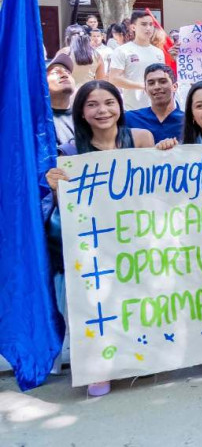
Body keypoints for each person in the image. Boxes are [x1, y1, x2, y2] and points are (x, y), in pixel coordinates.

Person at [44, 81, 158, 398]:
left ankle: (141, 357)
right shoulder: (69, 152)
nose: (102, 110)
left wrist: (164, 153)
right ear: (81, 112)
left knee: (138, 299)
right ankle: (99, 367)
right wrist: (55, 183)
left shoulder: (141, 139)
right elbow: (61, 205)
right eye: (92, 104)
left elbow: (161, 184)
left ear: (120, 106)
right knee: (97, 305)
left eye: (109, 102)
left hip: (138, 237)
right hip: (95, 244)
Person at [108, 10, 165, 110]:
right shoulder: (122, 51)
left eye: (151, 24)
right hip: (133, 109)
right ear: (133, 27)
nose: (148, 28)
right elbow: (113, 79)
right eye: (143, 24)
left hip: (157, 108)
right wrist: (142, 86)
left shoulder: (158, 52)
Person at [124, 64, 185, 143]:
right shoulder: (130, 119)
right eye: (151, 83)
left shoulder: (188, 121)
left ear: (175, 86)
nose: (157, 87)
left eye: (163, 81)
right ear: (145, 89)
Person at [59, 25, 105, 90]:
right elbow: (100, 82)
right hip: (88, 94)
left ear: (67, 38)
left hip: (68, 94)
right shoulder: (96, 55)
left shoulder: (64, 52)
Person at [46, 54, 77, 145]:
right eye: (55, 72)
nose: (64, 75)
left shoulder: (85, 116)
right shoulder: (38, 121)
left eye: (68, 72)